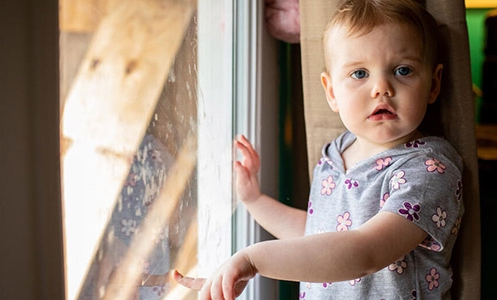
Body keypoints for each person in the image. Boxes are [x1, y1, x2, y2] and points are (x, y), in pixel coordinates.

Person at [174, 0, 464, 298]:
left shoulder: (429, 170)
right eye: (360, 74)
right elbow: (319, 235)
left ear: (433, 84)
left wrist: (254, 260)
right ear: (331, 92)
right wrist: (254, 200)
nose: (381, 87)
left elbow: (365, 253)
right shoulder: (334, 155)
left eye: (402, 70)